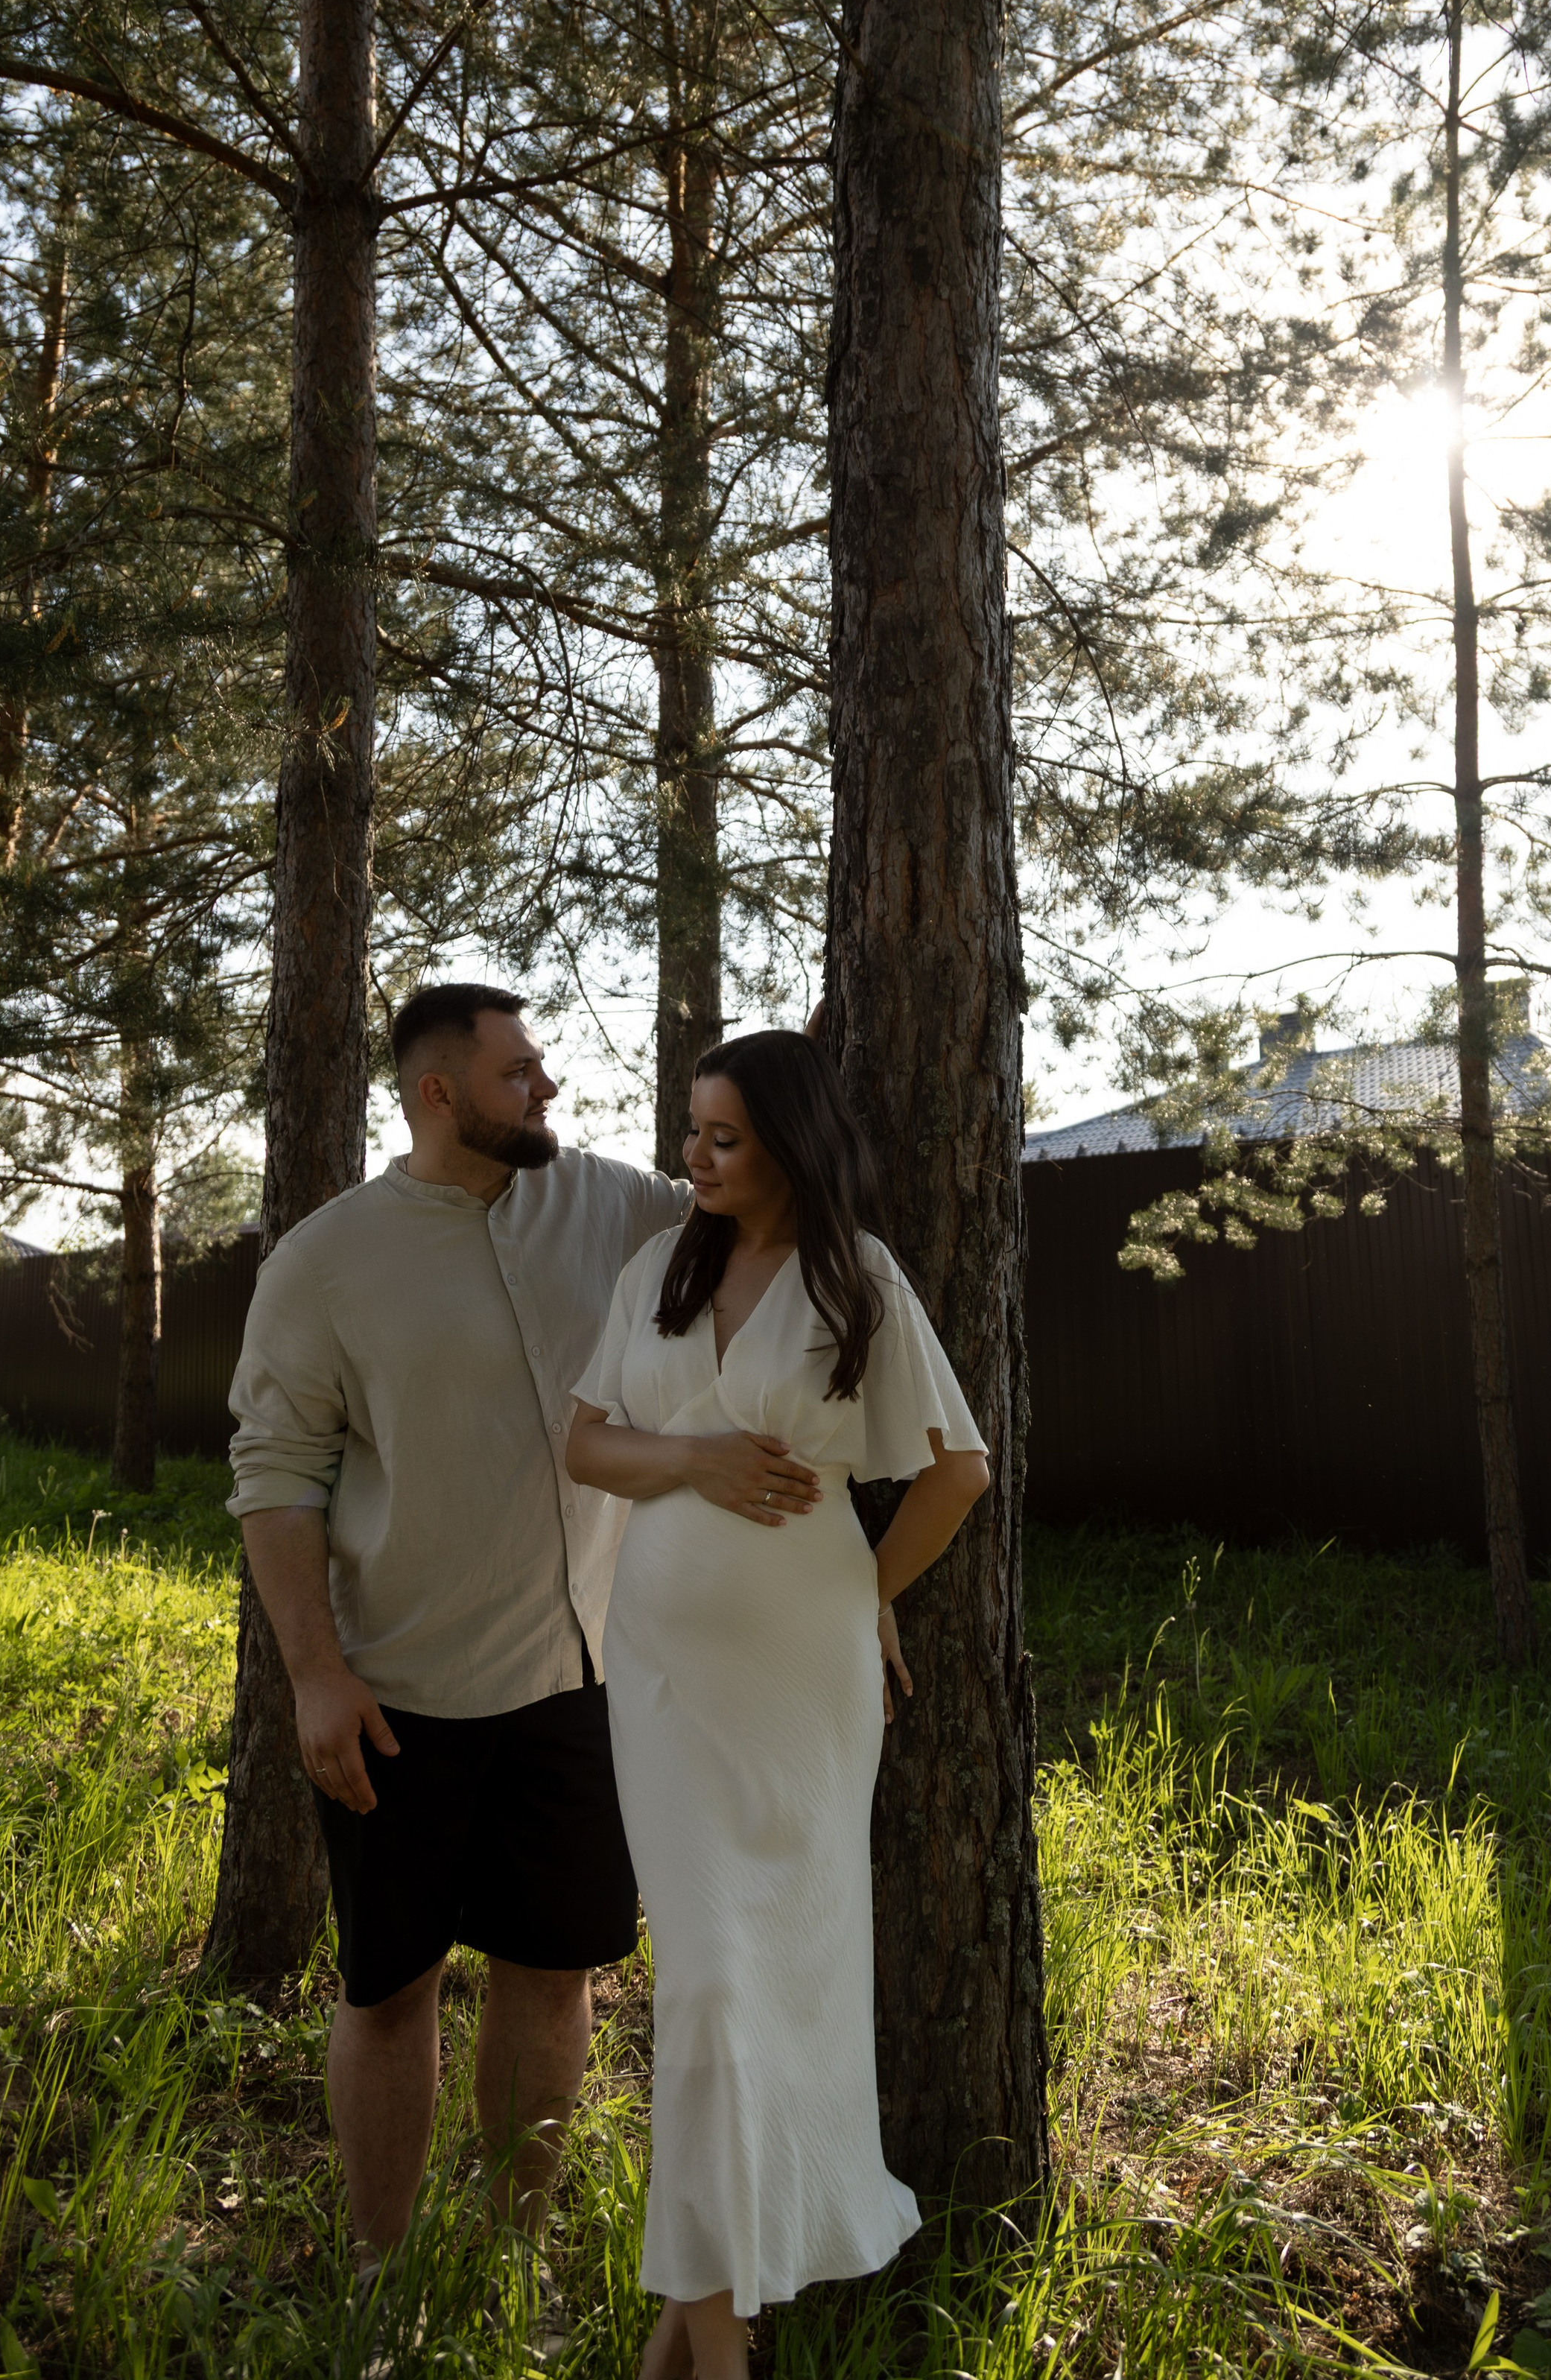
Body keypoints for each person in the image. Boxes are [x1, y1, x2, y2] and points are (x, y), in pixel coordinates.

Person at [225, 983, 689, 2357]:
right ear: (439, 1094)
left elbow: (755, 1217)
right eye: (518, 1072)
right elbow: (276, 1476)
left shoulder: (610, 1204)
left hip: (581, 1687)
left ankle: (513, 2256)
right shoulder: (323, 1263)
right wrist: (313, 1674)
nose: (546, 1089)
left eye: (541, 1068)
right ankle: (382, 2283)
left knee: (555, 1972)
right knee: (393, 1985)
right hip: (398, 1696)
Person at [565, 1029, 992, 2380]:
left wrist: (868, 1587)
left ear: (792, 1144)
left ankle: (686, 2341)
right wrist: (689, 1455)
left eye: (723, 1138)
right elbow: (583, 1442)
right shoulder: (661, 1269)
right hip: (667, 1680)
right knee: (701, 1984)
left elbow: (959, 1469)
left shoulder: (856, 1279)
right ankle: (714, 2339)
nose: (693, 1157)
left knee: (758, 1991)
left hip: (803, 1677)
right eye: (690, 1132)